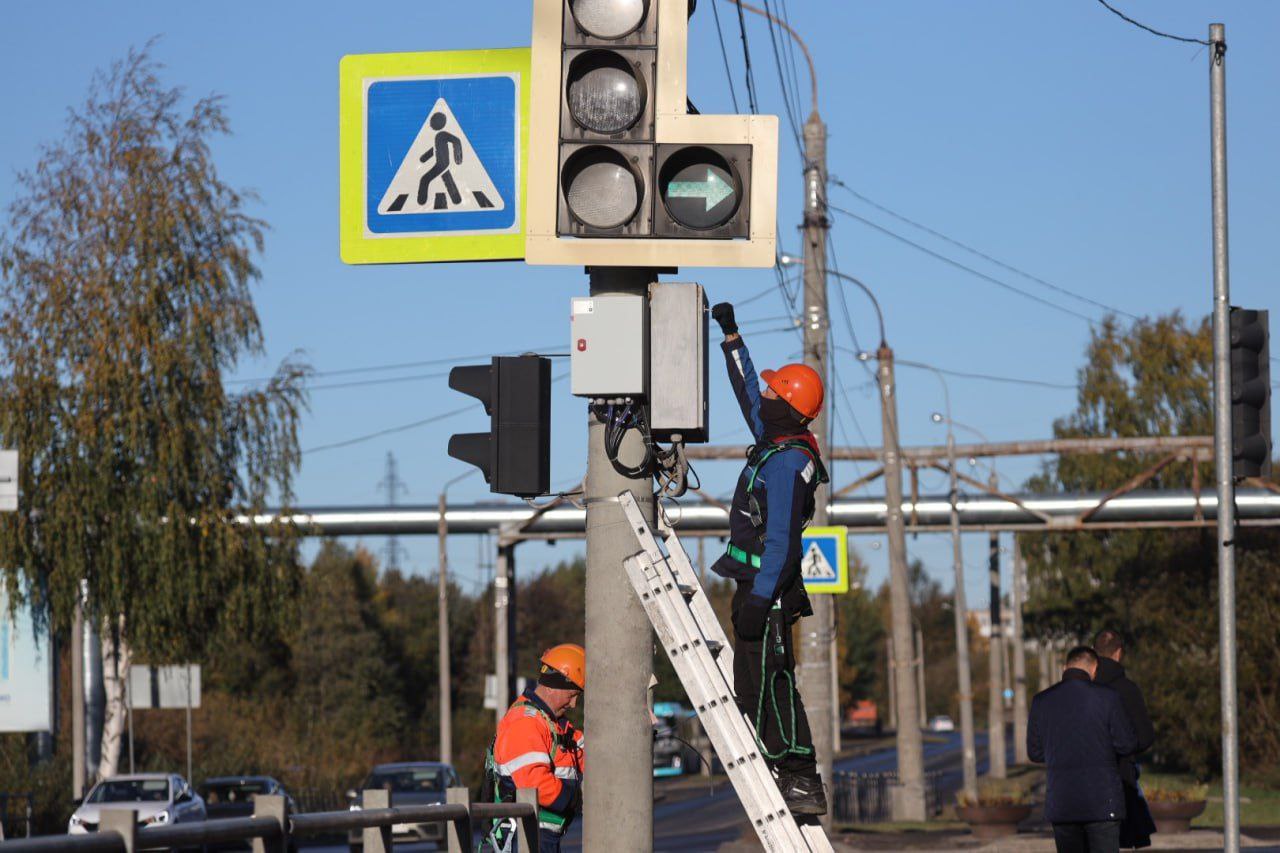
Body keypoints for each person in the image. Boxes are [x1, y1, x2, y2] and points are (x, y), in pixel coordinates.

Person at [707, 301, 830, 816]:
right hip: (753, 587)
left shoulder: (788, 463)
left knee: (772, 683)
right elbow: (747, 388)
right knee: (751, 684)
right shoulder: (778, 438)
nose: (764, 395)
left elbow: (780, 541)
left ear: (790, 407)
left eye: (774, 392)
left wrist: (759, 601)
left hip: (767, 592)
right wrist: (732, 337)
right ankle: (778, 768)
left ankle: (800, 777)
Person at [1028, 645, 1138, 853]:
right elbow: (1126, 743)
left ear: (1064, 667)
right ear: (1094, 668)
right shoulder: (1108, 698)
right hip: (1102, 802)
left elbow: (1035, 752)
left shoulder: (1041, 701)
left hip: (1062, 802)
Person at [484, 644, 585, 852]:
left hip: (538, 836)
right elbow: (535, 784)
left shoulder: (553, 724)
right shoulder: (526, 723)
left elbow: (594, 754)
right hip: (526, 837)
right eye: (572, 695)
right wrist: (577, 798)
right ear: (552, 686)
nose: (574, 704)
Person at [1093, 629, 1157, 849]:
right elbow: (1146, 735)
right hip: (1122, 777)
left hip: (1087, 782)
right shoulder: (1128, 689)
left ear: (1094, 653)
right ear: (1119, 653)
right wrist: (1127, 748)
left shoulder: (1086, 689)